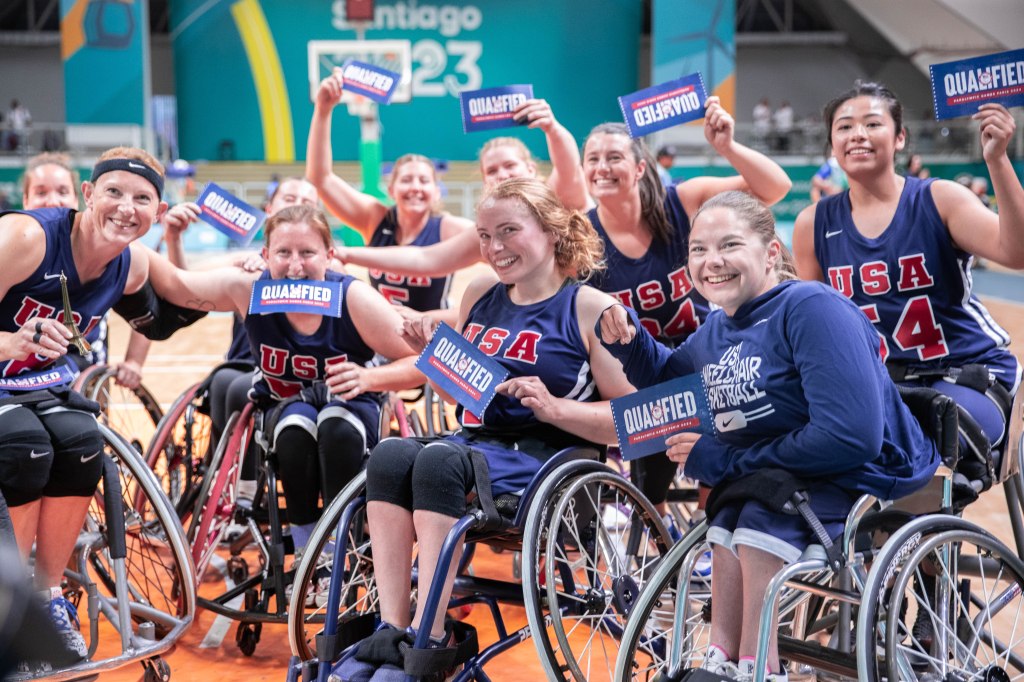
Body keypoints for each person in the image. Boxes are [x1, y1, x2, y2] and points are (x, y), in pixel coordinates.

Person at [599, 190, 939, 681]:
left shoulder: (811, 307)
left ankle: (760, 665)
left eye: (729, 245)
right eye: (698, 250)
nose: (710, 261)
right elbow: (669, 378)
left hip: (862, 474)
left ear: (771, 253)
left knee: (757, 504)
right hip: (783, 475)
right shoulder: (720, 327)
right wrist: (629, 340)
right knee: (728, 511)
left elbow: (850, 438)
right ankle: (722, 659)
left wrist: (723, 460)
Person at [336, 178, 635, 681]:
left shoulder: (589, 308)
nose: (494, 248)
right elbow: (465, 395)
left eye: (508, 231)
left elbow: (629, 420)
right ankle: (392, 628)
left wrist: (555, 408)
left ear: (550, 229)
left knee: (438, 461)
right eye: (484, 235)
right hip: (475, 446)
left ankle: (430, 641)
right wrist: (429, 356)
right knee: (389, 453)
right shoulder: (479, 293)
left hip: (549, 461)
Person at [147, 203, 421, 557]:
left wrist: (372, 376)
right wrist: (134, 239)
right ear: (264, 255)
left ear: (329, 255)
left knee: (336, 427)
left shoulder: (354, 298)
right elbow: (177, 286)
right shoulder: (246, 289)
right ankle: (308, 550)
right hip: (284, 407)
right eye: (283, 252)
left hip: (352, 405)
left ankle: (342, 548)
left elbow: (428, 361)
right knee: (293, 428)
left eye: (307, 252)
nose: (295, 265)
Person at [0, 146, 173, 663]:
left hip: (41, 385)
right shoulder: (26, 237)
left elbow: (181, 301)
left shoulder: (127, 261)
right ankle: (13, 609)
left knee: (81, 441)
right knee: (24, 444)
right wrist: (9, 343)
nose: (125, 206)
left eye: (141, 197)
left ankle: (47, 593)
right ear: (88, 194)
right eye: (114, 192)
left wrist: (267, 278)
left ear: (158, 210)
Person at [792, 82, 1023, 463]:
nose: (858, 135)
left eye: (872, 124)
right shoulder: (812, 224)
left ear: (900, 138)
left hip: (964, 372)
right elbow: (816, 328)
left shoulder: (939, 199)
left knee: (912, 452)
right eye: (845, 127)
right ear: (833, 145)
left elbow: (1016, 253)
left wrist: (997, 160)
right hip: (880, 386)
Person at [330, 100, 590, 314]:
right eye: (492, 170)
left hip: (573, 313)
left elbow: (569, 171)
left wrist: (552, 129)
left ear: (531, 169)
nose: (502, 174)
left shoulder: (552, 200)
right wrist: (347, 254)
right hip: (529, 320)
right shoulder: (489, 228)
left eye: (510, 165)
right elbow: (427, 258)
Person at [306, 67, 475, 315]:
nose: (415, 187)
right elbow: (320, 179)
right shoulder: (374, 218)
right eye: (407, 180)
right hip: (381, 335)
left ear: (437, 192)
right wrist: (323, 110)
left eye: (423, 181)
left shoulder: (449, 228)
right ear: (391, 189)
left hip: (428, 335)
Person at [20, 152, 155, 390]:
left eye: (62, 192)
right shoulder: (18, 242)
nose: (52, 201)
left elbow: (155, 304)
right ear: (25, 199)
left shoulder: (115, 247)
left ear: (80, 197)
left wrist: (134, 361)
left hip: (83, 368)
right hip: (18, 367)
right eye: (41, 193)